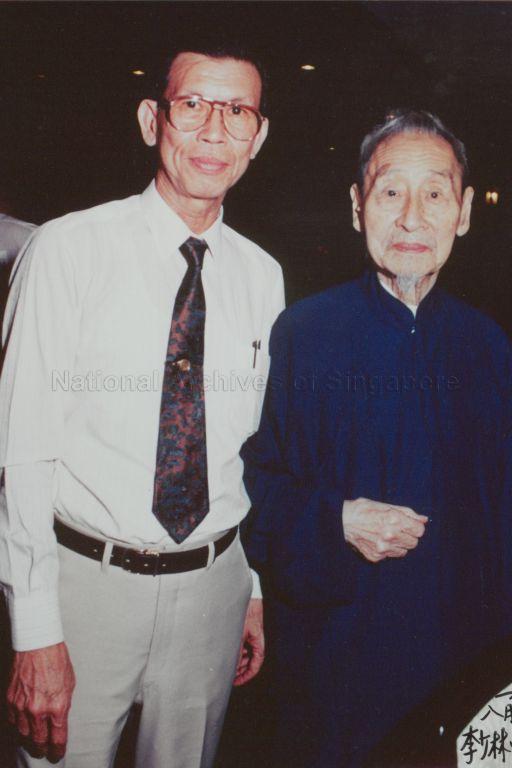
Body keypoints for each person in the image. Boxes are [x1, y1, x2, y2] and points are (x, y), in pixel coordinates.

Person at [0, 41, 284, 768]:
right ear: (151, 118)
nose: (214, 132)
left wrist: (247, 584)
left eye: (237, 111)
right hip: (87, 592)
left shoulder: (263, 276)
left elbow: (243, 451)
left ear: (259, 135)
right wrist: (35, 631)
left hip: (213, 590)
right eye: (193, 106)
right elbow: (20, 450)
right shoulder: (68, 250)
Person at [241, 109, 512, 768]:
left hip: (467, 665)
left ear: (466, 211)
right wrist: (334, 520)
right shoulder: (304, 334)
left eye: (436, 193)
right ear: (359, 207)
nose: (413, 216)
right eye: (391, 191)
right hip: (340, 661)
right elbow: (254, 486)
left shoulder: (488, 346)